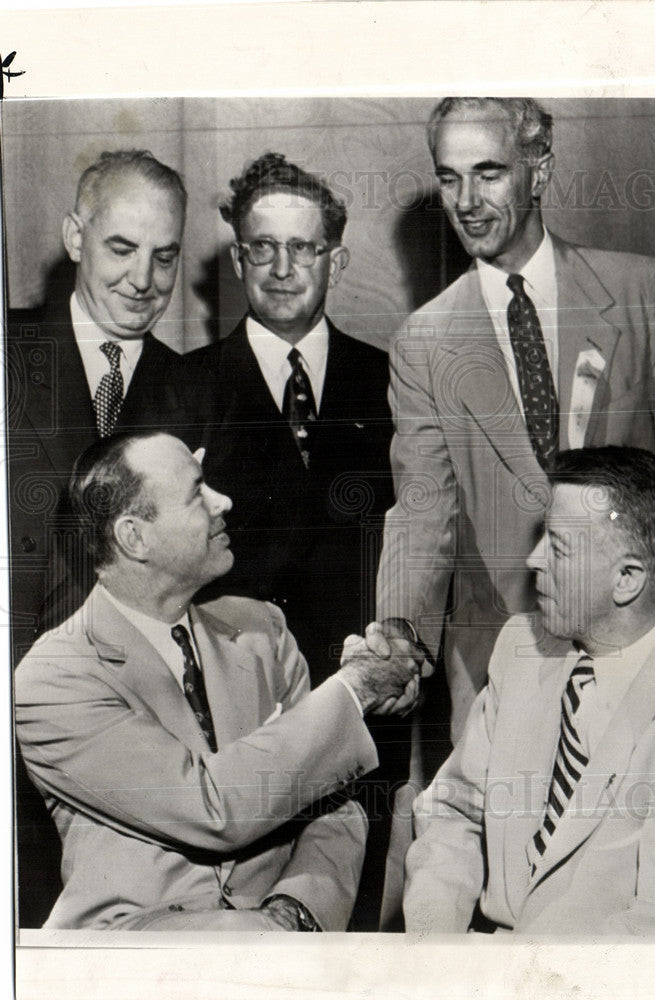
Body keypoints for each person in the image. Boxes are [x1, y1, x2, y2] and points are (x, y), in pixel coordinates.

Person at [375, 97, 655, 748]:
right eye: (448, 177)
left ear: (540, 172)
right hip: (497, 664)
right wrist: (400, 636)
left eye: (489, 172)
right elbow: (422, 511)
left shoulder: (637, 289)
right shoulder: (423, 341)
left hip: (640, 651)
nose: (466, 199)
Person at [14, 431, 426, 931]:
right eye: (197, 491)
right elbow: (212, 806)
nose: (223, 501)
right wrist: (354, 689)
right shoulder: (53, 678)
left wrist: (298, 912)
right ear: (133, 538)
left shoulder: (262, 630)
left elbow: (335, 807)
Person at [402, 447, 655, 934]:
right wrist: (434, 947)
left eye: (558, 546)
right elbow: (453, 812)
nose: (533, 560)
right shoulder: (521, 646)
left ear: (627, 579)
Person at [188, 153, 400, 929]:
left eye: (302, 248)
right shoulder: (186, 385)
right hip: (236, 729)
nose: (281, 268)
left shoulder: (393, 382)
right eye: (261, 247)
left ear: (335, 258)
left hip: (366, 724)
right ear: (238, 255)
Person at [6, 149, 198, 927]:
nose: (143, 280)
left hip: (138, 749)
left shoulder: (193, 389)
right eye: (121, 249)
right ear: (75, 237)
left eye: (165, 256)